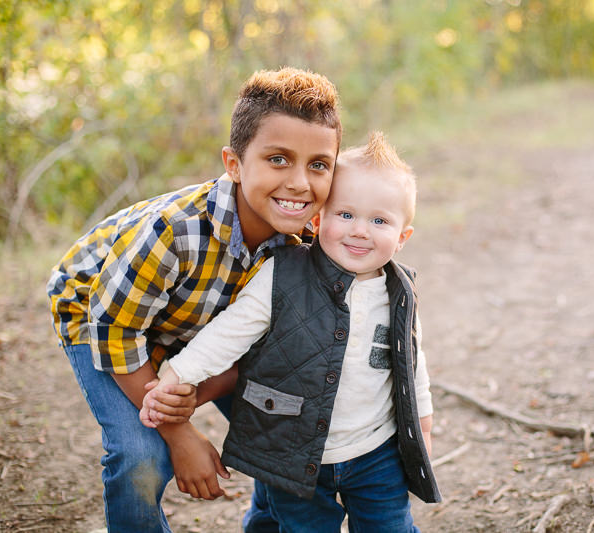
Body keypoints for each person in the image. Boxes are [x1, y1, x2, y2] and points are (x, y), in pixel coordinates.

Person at [46, 67, 342, 533]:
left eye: (319, 165)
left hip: (196, 326)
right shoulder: (175, 231)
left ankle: (267, 524)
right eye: (278, 159)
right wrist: (178, 431)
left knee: (284, 420)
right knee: (140, 454)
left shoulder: (307, 244)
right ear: (234, 164)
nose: (300, 183)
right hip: (102, 315)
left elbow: (267, 352)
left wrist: (193, 395)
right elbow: (116, 330)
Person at [141, 132, 442, 532]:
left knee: (390, 527)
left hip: (376, 452)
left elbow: (411, 368)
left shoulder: (400, 294)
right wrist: (177, 376)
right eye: (346, 215)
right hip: (292, 450)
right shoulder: (283, 274)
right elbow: (229, 332)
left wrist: (421, 429)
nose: (360, 231)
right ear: (318, 220)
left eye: (380, 221)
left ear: (402, 237)